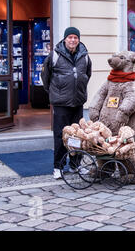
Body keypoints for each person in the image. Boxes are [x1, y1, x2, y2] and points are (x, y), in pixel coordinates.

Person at [41, 27, 92, 179]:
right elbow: (45, 77)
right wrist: (55, 92)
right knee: (60, 135)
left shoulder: (85, 56)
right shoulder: (55, 55)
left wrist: (78, 89)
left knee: (77, 135)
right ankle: (58, 167)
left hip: (77, 102)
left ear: (78, 40)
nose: (72, 40)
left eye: (75, 37)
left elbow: (87, 75)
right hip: (61, 103)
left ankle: (76, 165)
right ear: (65, 39)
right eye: (70, 37)